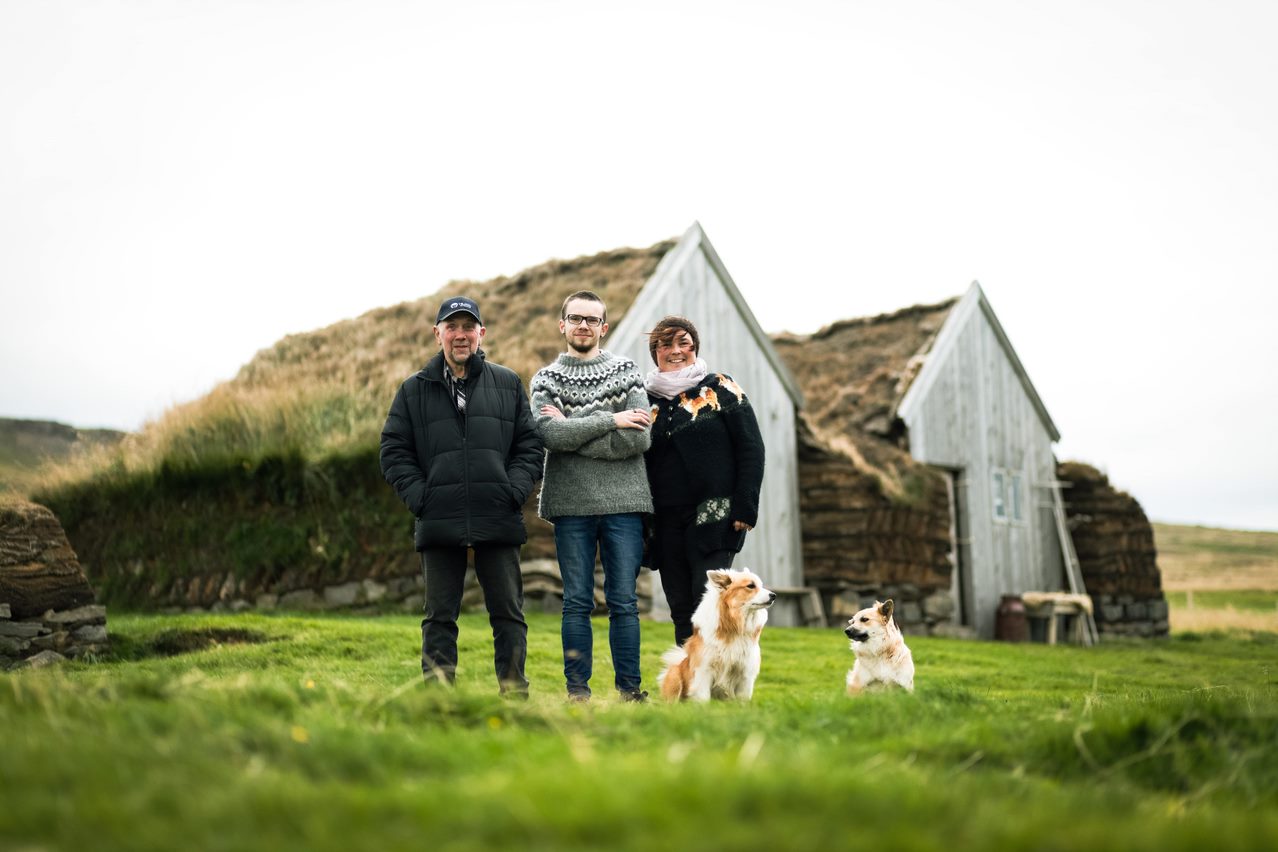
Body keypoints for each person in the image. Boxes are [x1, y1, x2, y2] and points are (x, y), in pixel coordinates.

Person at [380, 296, 543, 696]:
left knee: (508, 615)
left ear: (481, 333)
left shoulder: (507, 383)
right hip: (439, 518)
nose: (460, 335)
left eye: (468, 327)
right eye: (451, 327)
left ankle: (515, 695)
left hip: (497, 516)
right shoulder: (412, 391)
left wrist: (513, 491)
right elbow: (393, 451)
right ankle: (438, 699)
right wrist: (423, 497)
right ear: (438, 334)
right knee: (439, 618)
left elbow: (529, 446)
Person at [530, 290, 654, 702]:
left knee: (623, 602)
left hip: (625, 505)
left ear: (604, 327)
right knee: (576, 601)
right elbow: (550, 434)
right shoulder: (545, 379)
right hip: (571, 506)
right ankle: (577, 692)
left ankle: (629, 690)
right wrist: (611, 419)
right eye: (575, 318)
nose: (583, 325)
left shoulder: (627, 370)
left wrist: (575, 430)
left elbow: (638, 440)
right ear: (562, 325)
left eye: (592, 319)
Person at [643, 315, 766, 646]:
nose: (676, 350)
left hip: (716, 516)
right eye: (666, 344)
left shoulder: (720, 387)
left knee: (707, 604)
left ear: (695, 348)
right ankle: (691, 686)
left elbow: (751, 447)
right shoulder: (645, 400)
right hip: (665, 521)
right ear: (655, 351)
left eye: (684, 343)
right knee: (681, 608)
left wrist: (746, 506)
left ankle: (718, 683)